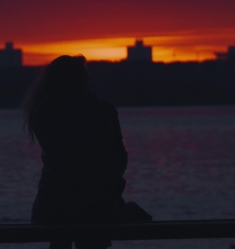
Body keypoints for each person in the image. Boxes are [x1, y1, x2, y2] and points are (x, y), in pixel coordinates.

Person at [23, 55, 151, 249]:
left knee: (60, 239)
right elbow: (118, 161)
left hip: (51, 207)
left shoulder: (42, 114)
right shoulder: (101, 113)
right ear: (82, 81)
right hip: (96, 207)